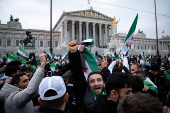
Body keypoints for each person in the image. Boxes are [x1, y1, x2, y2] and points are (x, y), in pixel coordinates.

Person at [68, 40, 106, 113]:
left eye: (99, 80)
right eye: (92, 81)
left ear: (104, 82)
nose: (96, 83)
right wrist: (74, 53)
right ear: (88, 85)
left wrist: (105, 69)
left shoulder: (111, 96)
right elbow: (77, 73)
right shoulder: (83, 97)